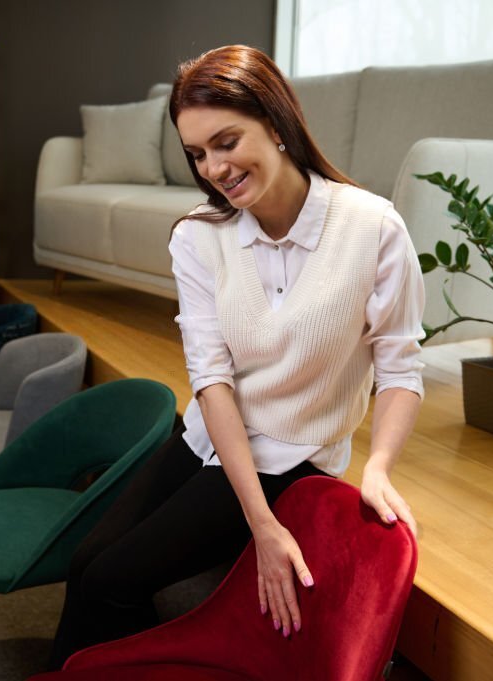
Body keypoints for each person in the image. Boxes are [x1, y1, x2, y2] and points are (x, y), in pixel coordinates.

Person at [48, 44, 424, 668]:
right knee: (88, 562)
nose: (214, 168)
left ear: (276, 125)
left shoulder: (372, 228)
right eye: (198, 154)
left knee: (112, 582)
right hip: (210, 438)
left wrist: (379, 466)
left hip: (291, 456)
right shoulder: (199, 236)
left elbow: (400, 365)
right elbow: (211, 379)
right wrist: (260, 525)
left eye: (226, 142)